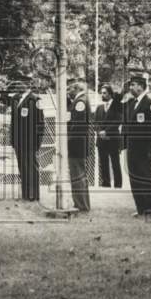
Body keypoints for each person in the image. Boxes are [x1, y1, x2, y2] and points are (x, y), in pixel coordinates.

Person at [124, 73, 151, 217]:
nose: (131, 87)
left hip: (144, 150)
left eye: (133, 85)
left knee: (146, 178)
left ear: (140, 86)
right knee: (135, 178)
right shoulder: (132, 103)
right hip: (132, 148)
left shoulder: (150, 103)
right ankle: (141, 208)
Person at [9, 74, 45, 202]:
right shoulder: (15, 99)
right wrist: (12, 139)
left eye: (21, 83)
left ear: (28, 84)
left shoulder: (35, 100)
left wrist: (38, 142)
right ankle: (25, 194)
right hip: (19, 142)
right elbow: (13, 122)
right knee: (22, 168)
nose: (18, 85)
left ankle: (33, 195)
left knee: (31, 168)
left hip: (30, 142)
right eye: (17, 83)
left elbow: (40, 123)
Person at [65, 81, 92, 212]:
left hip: (76, 144)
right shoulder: (79, 100)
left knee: (77, 175)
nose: (68, 92)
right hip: (78, 143)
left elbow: (78, 125)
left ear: (76, 89)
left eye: (69, 89)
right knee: (78, 174)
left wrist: (68, 140)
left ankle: (81, 205)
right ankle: (81, 204)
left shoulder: (80, 102)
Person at [93, 85, 123, 188]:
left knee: (115, 163)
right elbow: (95, 122)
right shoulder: (99, 108)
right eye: (101, 93)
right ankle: (106, 184)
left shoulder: (117, 106)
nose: (102, 95)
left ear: (110, 94)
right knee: (103, 163)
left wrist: (106, 131)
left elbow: (118, 121)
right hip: (101, 140)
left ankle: (118, 185)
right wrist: (99, 131)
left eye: (104, 93)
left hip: (113, 139)